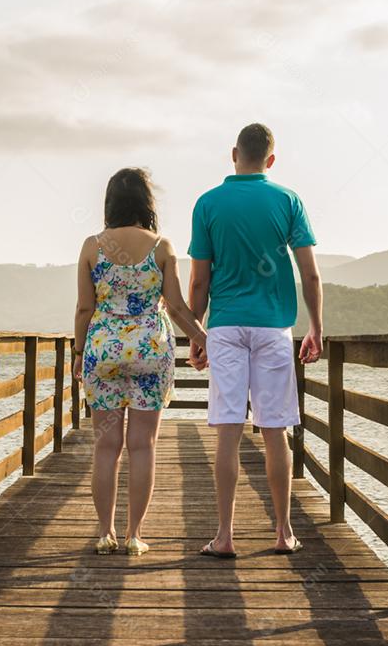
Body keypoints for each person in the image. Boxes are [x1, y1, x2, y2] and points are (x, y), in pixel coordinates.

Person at [188, 123, 323, 557]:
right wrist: (316, 327)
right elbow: (310, 274)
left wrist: (195, 331)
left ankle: (225, 535)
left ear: (233, 154)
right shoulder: (288, 200)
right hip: (273, 326)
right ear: (271, 159)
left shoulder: (208, 203)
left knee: (228, 430)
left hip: (225, 325)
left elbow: (199, 280)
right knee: (274, 430)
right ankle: (283, 532)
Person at [73, 167, 207, 557]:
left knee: (105, 446)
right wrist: (203, 340)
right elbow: (179, 308)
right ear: (146, 203)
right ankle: (134, 535)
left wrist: (79, 353)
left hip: (104, 350)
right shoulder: (161, 247)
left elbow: (84, 308)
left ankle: (104, 533)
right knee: (142, 445)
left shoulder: (91, 247)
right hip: (150, 349)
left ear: (110, 203)